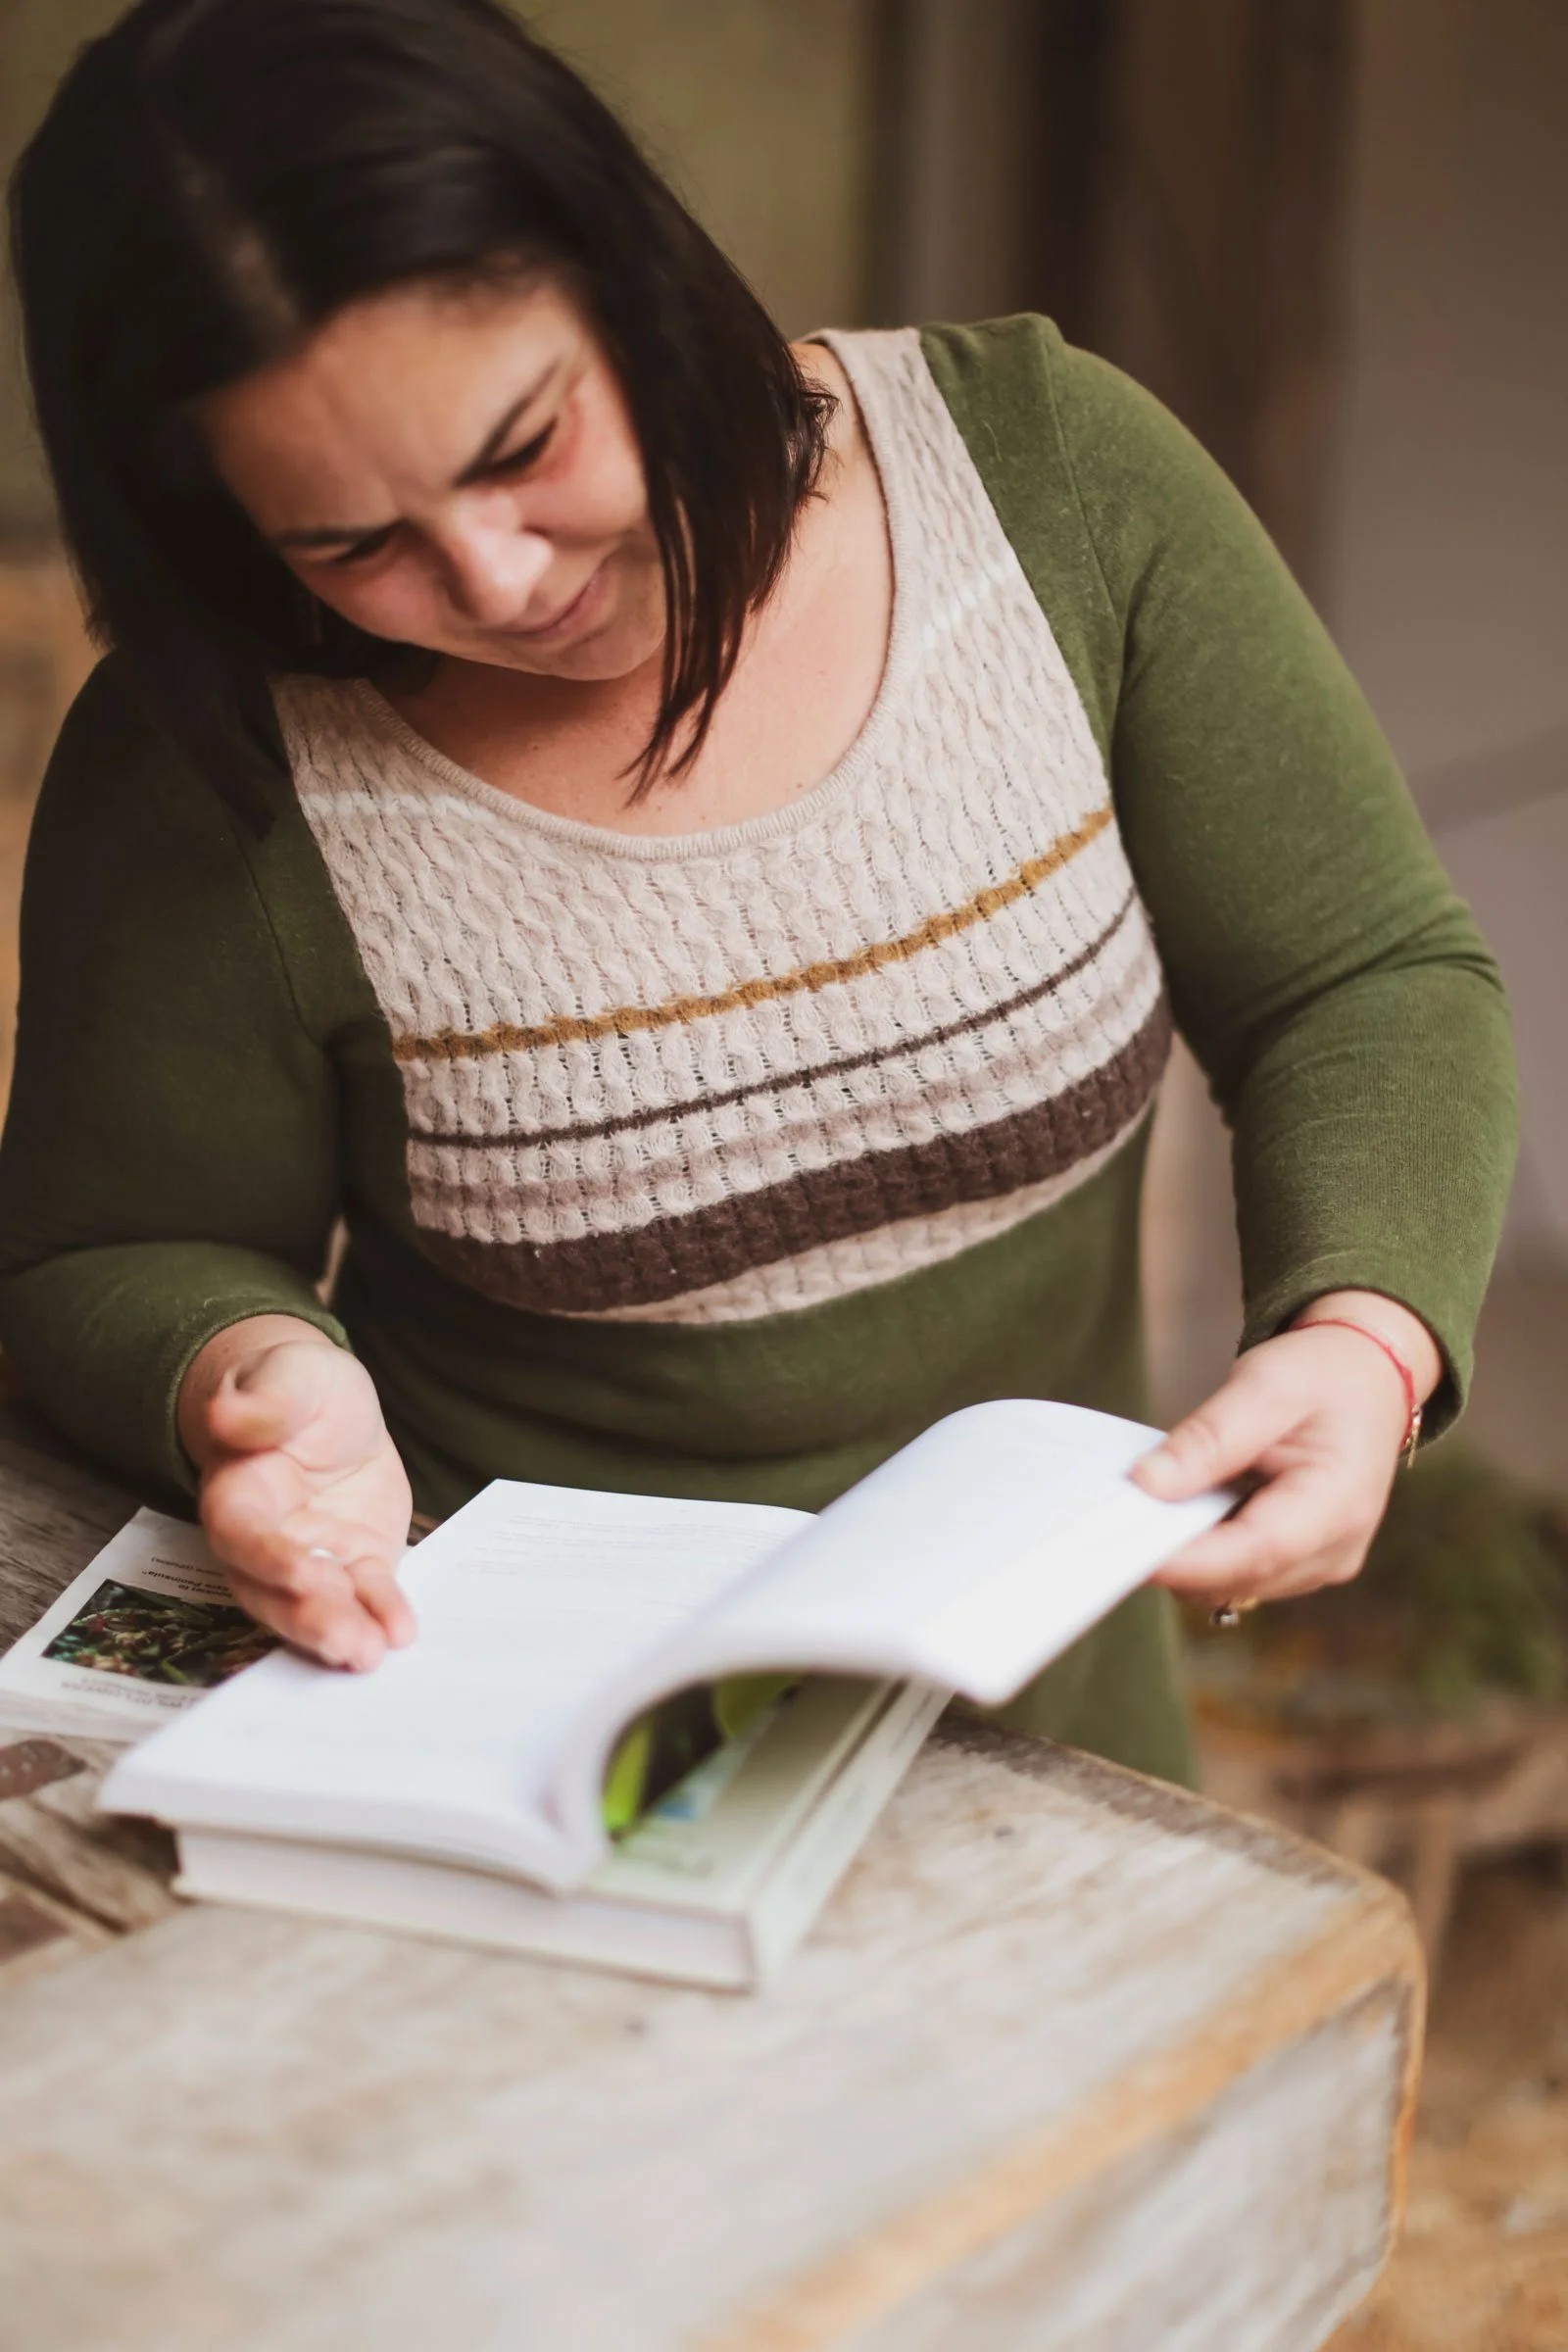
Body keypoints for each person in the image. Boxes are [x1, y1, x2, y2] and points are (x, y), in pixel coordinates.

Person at [0, 0, 1515, 1788]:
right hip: (515, 1744)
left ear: (628, 272)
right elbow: (99, 1248)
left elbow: (1363, 976)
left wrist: (1366, 1336)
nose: (494, 578)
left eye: (523, 445)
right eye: (350, 544)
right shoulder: (224, 760)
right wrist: (248, 1372)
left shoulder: (1053, 488)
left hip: (1055, 1741)